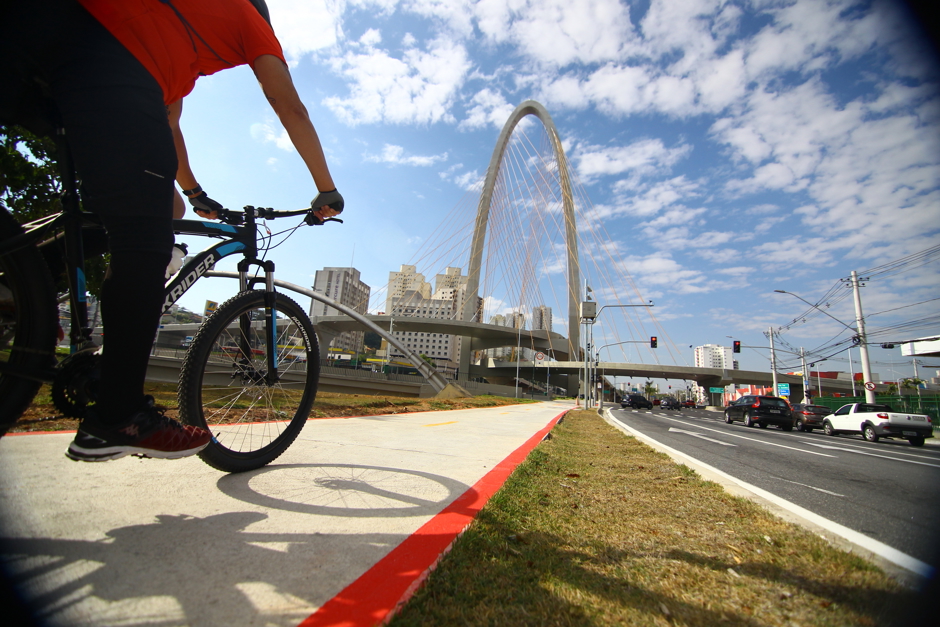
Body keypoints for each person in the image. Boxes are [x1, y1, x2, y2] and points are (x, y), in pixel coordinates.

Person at [0, 0, 344, 462]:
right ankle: (117, 415)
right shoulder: (247, 15)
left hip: (40, 30)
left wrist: (195, 191)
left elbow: (168, 124)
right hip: (106, 57)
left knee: (161, 203)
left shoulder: (175, 38)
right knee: (147, 240)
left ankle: (17, 286)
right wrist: (327, 189)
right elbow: (289, 106)